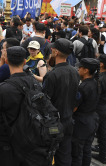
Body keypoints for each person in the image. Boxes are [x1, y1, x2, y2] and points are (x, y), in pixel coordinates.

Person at [0, 46, 51, 166]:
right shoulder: (35, 83)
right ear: (25, 61)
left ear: (7, 61)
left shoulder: (3, 89)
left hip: (9, 145)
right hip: (31, 142)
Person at [42, 38, 80, 166]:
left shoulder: (52, 75)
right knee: (64, 154)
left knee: (49, 153)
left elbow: (45, 102)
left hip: (54, 124)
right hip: (68, 120)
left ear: (56, 52)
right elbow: (77, 96)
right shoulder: (75, 71)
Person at [71, 58, 100, 166]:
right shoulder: (96, 82)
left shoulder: (83, 87)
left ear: (86, 70)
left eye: (80, 67)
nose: (78, 69)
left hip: (81, 123)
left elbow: (74, 108)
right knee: (86, 150)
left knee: (77, 153)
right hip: (92, 120)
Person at [92, 55, 106, 164]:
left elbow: (95, 95)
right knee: (104, 133)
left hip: (100, 108)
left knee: (92, 132)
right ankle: (103, 156)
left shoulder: (100, 78)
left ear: (101, 64)